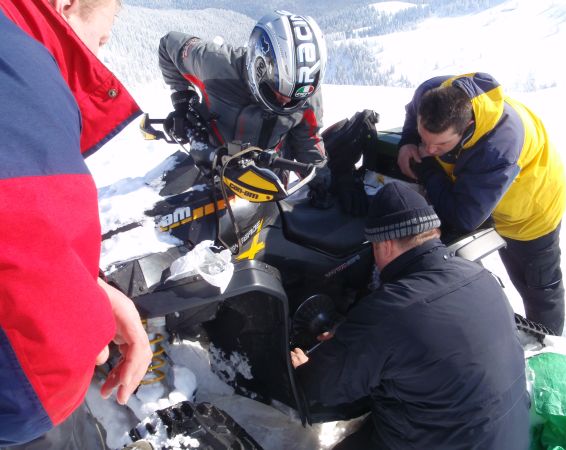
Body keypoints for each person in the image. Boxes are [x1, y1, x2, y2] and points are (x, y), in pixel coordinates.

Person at [0, 0, 153, 447]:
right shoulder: (24, 73)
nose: (103, 46)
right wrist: (83, 324)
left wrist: (91, 288)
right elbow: (38, 378)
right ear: (67, 4)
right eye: (107, 26)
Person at [291, 181, 530, 450]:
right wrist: (356, 336)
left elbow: (319, 387)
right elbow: (425, 337)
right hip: (511, 437)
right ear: (433, 232)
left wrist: (306, 367)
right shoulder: (481, 276)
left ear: (385, 245)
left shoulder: (388, 311)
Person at [396, 72, 566, 335]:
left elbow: (464, 217)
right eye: (424, 138)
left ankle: (549, 344)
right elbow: (414, 111)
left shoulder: (497, 148)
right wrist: (409, 139)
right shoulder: (433, 93)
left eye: (440, 144)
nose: (428, 149)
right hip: (481, 196)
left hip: (530, 213)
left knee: (538, 288)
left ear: (468, 126)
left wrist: (427, 169)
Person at [158, 10, 368, 215]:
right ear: (258, 67)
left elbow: (308, 140)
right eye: (278, 92)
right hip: (208, 169)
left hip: (267, 186)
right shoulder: (216, 64)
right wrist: (183, 101)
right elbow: (168, 44)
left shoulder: (306, 93)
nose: (286, 102)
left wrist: (327, 182)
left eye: (295, 98)